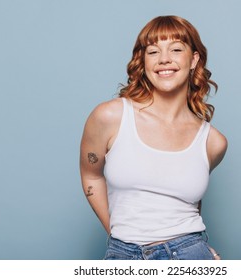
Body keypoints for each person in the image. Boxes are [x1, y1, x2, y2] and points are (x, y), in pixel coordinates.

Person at [79, 15, 227, 260]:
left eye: (176, 49)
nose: (164, 59)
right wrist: (118, 235)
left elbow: (189, 202)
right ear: (143, 62)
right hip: (123, 254)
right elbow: (91, 175)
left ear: (194, 60)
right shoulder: (110, 116)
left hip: (191, 256)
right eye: (153, 51)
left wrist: (202, 252)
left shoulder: (213, 142)